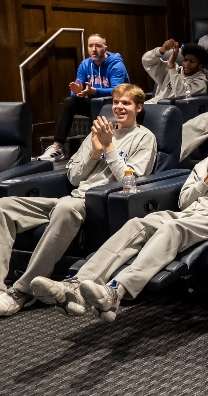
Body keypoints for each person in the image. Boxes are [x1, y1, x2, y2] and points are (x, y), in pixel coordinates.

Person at [29, 117, 208, 322]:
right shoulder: (204, 163)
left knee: (173, 227)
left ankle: (115, 291)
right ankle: (76, 285)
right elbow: (184, 201)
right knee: (138, 224)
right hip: (188, 214)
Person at [0, 84, 157, 316]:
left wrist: (109, 147)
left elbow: (130, 181)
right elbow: (74, 176)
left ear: (139, 107)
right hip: (73, 196)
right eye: (116, 102)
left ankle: (23, 291)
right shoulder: (100, 131)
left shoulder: (145, 138)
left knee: (65, 207)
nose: (119, 107)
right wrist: (94, 152)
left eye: (126, 103)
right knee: (4, 207)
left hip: (97, 203)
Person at [37, 33, 129, 162]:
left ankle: (102, 148)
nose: (93, 49)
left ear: (105, 48)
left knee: (98, 105)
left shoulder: (116, 65)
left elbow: (118, 90)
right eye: (90, 45)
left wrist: (94, 91)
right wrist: (78, 92)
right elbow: (77, 86)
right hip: (93, 103)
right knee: (70, 101)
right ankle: (57, 147)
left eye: (98, 45)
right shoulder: (85, 65)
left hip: (114, 104)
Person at [142, 39, 208, 104]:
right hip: (151, 105)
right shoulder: (174, 69)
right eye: (185, 60)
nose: (187, 64)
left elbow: (180, 94)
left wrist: (171, 67)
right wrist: (162, 50)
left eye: (192, 62)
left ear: (200, 66)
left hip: (168, 111)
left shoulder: (200, 83)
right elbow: (147, 62)